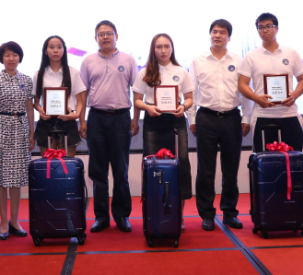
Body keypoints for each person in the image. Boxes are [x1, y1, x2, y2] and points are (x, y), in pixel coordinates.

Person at [188, 19, 249, 232]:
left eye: (222, 32)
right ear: (210, 34)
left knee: (230, 169)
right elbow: (191, 91)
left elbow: (245, 90)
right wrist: (192, 119)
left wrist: (246, 117)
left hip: (232, 118)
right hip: (206, 118)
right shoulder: (198, 60)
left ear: (228, 37)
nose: (217, 35)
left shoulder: (239, 60)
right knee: (205, 170)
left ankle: (230, 213)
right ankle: (207, 214)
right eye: (214, 31)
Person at [79, 20, 139, 233]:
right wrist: (82, 120)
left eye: (109, 33)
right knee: (98, 171)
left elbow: (137, 90)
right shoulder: (88, 61)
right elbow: (82, 93)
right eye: (101, 34)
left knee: (121, 171)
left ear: (116, 36)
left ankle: (122, 216)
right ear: (96, 38)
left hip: (121, 118)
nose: (105, 37)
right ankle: (101, 217)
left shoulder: (128, 60)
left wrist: (136, 118)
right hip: (96, 118)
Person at [133, 33, 194, 230]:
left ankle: (179, 215)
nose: (163, 50)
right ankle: (153, 213)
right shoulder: (144, 72)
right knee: (152, 166)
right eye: (159, 47)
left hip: (176, 121)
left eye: (167, 46)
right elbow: (137, 100)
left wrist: (183, 107)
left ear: (172, 48)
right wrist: (148, 108)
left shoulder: (181, 71)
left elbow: (190, 98)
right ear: (153, 50)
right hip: (153, 121)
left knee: (180, 165)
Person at [0, 41, 35, 240]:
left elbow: (29, 108)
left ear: (19, 57)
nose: (11, 58)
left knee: (17, 179)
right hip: (1, 129)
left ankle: (14, 221)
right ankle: (3, 222)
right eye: (7, 55)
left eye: (14, 55)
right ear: (1, 58)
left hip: (20, 129)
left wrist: (32, 133)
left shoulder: (27, 80)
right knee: (1, 179)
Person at [239, 13, 303, 152]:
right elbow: (242, 84)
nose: (264, 30)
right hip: (263, 116)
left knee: (293, 160)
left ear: (277, 28)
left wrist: (294, 95)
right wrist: (257, 99)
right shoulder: (251, 56)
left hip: (289, 114)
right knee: (264, 161)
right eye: (261, 27)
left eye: (269, 26)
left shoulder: (291, 53)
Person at [32, 36, 87, 157]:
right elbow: (35, 102)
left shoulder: (73, 72)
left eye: (59, 47)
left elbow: (80, 100)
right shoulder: (38, 74)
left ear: (64, 50)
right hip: (46, 122)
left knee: (68, 164)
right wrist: (40, 110)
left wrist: (76, 115)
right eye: (51, 47)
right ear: (46, 51)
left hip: (68, 120)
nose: (55, 50)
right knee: (47, 164)